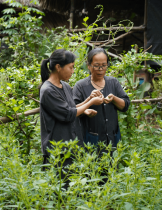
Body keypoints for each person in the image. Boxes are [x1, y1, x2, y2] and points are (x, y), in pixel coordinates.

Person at [39, 49, 103, 184]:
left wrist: (88, 99)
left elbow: (71, 108)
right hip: (59, 150)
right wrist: (91, 102)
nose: (73, 71)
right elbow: (68, 114)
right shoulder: (48, 90)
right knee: (61, 191)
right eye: (71, 67)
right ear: (58, 67)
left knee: (74, 190)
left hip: (72, 145)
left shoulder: (66, 86)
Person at [73, 48, 130, 149]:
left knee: (113, 163)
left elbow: (125, 106)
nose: (100, 69)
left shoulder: (113, 82)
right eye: (96, 66)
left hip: (113, 138)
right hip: (91, 140)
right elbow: (73, 110)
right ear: (89, 66)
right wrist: (86, 110)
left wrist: (113, 99)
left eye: (104, 65)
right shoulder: (81, 86)